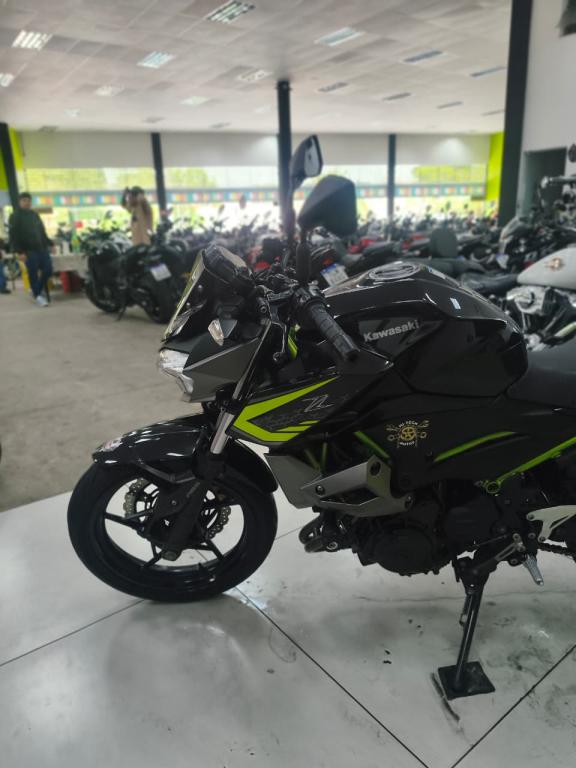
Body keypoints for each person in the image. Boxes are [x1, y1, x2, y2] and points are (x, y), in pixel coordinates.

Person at [9, 192, 53, 307]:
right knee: (33, 273)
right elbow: (13, 235)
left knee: (48, 270)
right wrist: (19, 252)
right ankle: (38, 296)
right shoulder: (15, 216)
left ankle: (36, 290)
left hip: (41, 248)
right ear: (20, 202)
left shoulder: (35, 215)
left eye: (28, 201)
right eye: (24, 201)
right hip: (28, 250)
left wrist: (50, 243)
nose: (27, 203)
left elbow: (42, 231)